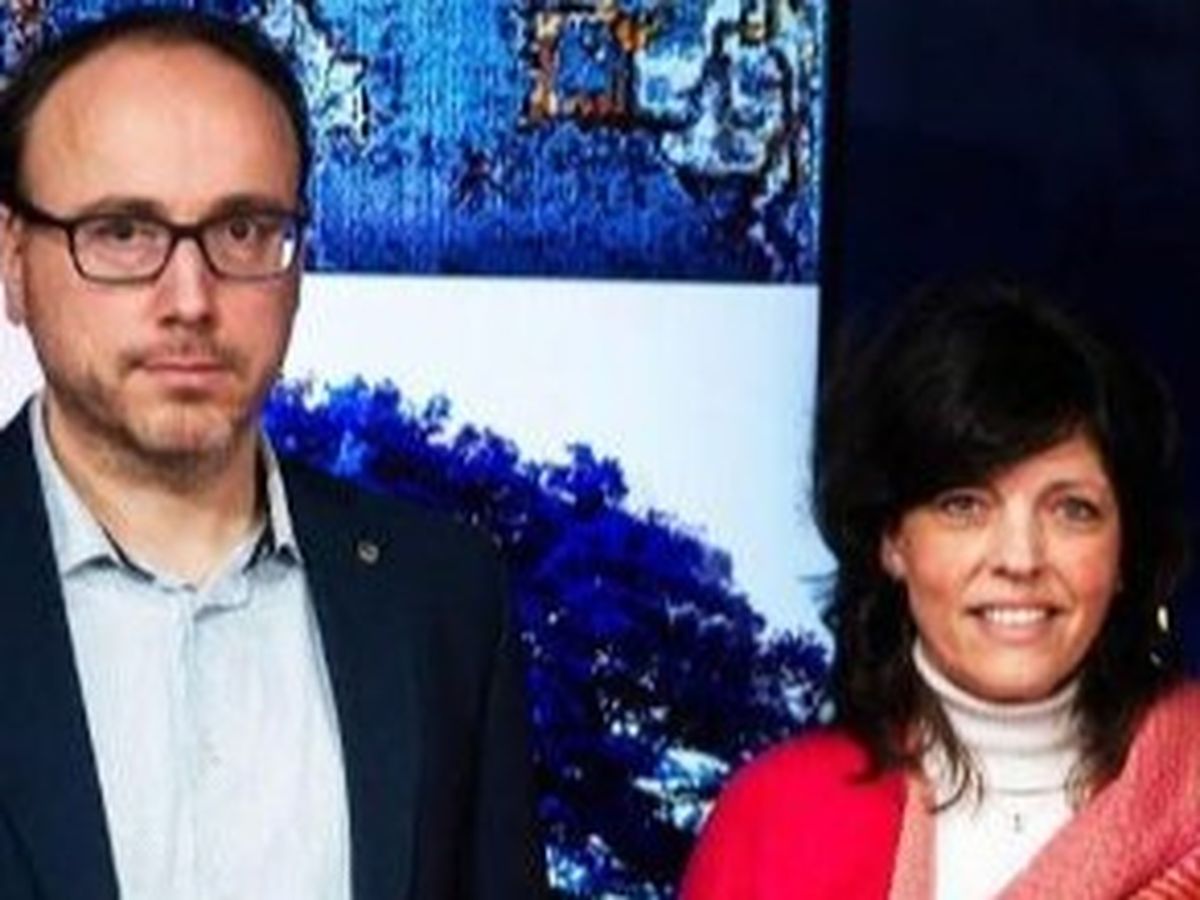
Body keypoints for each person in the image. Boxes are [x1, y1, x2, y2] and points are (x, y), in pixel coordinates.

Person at [0, 9, 545, 899]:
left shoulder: (441, 599)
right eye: (123, 232)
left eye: (243, 231)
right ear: (14, 258)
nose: (189, 299)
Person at [681, 280, 1200, 899]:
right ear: (893, 539)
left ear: (1125, 551)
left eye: (1072, 510)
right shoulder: (777, 821)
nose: (1020, 559)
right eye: (964, 505)